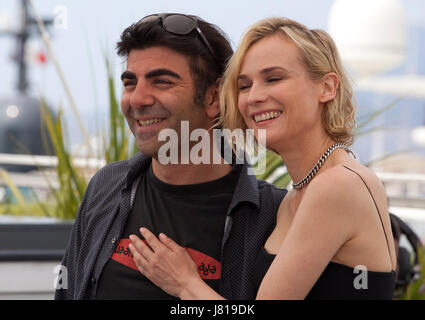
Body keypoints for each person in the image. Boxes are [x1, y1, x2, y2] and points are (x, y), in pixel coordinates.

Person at [128, 17, 398, 300]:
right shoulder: (293, 200)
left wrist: (185, 283)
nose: (254, 97)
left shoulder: (338, 186)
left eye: (273, 78)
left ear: (327, 87)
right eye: (244, 86)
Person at [54, 13, 286, 300]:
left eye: (161, 82)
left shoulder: (271, 216)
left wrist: (187, 286)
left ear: (214, 99)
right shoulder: (108, 186)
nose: (137, 99)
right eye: (130, 83)